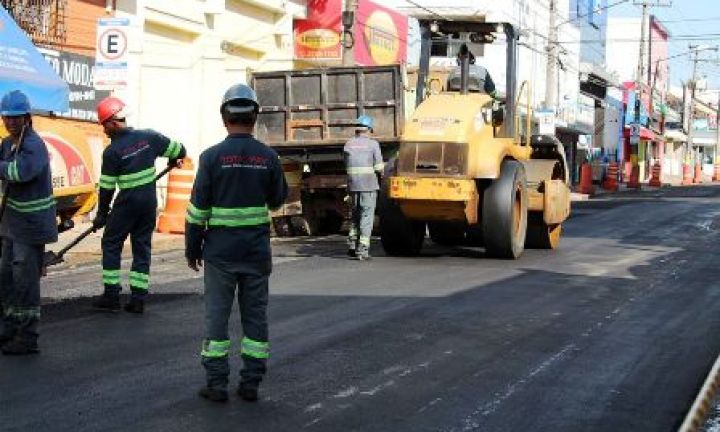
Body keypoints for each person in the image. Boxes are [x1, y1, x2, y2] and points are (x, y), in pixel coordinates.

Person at [186, 83, 287, 403]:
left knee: (217, 318)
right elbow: (277, 201)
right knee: (255, 317)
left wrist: (192, 249)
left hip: (219, 254)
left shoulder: (211, 157)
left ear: (224, 116)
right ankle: (251, 383)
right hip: (256, 254)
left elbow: (197, 210)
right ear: (255, 116)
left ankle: (216, 384)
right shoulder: (269, 157)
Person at [91, 97, 186, 314]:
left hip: (127, 204)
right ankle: (138, 299)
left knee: (111, 243)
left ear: (113, 123)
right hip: (148, 204)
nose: (104, 131)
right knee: (142, 247)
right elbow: (180, 149)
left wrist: (102, 215)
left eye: (104, 125)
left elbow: (106, 188)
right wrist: (175, 158)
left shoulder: (112, 152)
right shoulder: (149, 137)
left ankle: (111, 294)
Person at [0, 90, 58, 355]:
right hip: (12, 226)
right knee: (6, 279)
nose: (9, 122)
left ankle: (28, 335)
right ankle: (10, 326)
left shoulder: (33, 145)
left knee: (25, 282)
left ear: (26, 118)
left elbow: (18, 172)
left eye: (15, 118)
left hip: (31, 227)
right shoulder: (7, 144)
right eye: (6, 117)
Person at [343, 115, 384, 260]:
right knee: (366, 217)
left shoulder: (348, 144)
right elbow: (379, 167)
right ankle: (363, 250)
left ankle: (352, 246)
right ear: (369, 130)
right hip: (368, 186)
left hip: (353, 186)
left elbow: (346, 165)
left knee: (355, 216)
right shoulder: (373, 145)